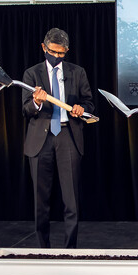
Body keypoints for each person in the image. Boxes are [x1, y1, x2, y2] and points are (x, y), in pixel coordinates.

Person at [22, 28, 94, 248]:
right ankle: (43, 250)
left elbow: (89, 103)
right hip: (40, 140)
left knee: (71, 199)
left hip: (68, 136)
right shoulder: (31, 74)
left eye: (62, 53)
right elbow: (26, 109)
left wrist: (82, 109)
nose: (57, 57)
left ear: (67, 51)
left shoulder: (77, 72)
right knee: (39, 201)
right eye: (53, 52)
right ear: (44, 48)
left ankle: (70, 250)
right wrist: (37, 102)